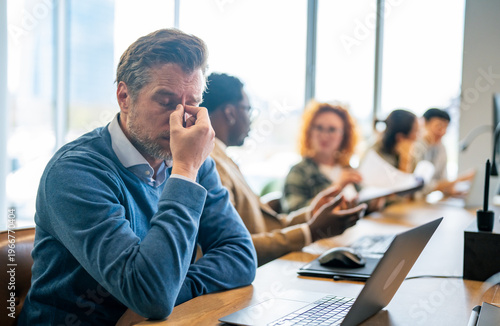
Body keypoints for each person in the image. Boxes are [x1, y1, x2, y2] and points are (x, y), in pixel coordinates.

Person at [19, 29, 257, 325]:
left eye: (190, 102)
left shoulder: (194, 162)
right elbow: (153, 295)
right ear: (124, 97)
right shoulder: (75, 173)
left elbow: (241, 256)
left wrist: (177, 291)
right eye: (166, 101)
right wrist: (183, 173)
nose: (180, 119)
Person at [202, 73, 366, 266]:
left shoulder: (224, 159)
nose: (251, 119)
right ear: (230, 113)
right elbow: (232, 248)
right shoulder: (211, 164)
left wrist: (311, 214)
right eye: (248, 110)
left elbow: (264, 227)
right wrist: (311, 231)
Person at [282, 100, 362, 212]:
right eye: (319, 128)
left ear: (344, 136)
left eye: (332, 129)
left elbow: (362, 203)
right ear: (309, 132)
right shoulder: (299, 172)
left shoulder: (348, 169)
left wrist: (375, 203)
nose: (324, 136)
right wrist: (336, 188)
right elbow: (292, 212)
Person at [414, 108, 474, 196]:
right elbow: (421, 186)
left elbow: (442, 181)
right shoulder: (415, 147)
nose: (443, 132)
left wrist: (454, 191)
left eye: (446, 127)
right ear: (424, 124)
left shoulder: (441, 148)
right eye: (439, 126)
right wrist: (462, 178)